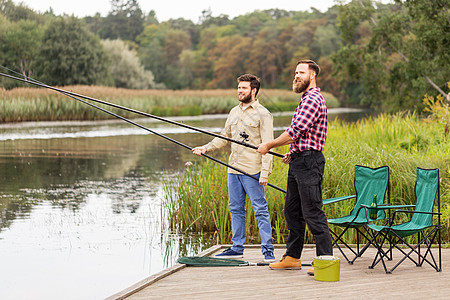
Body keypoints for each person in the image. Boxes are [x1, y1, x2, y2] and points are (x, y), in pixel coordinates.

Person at [257, 60, 333, 274]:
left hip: (309, 163)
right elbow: (303, 136)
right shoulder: (305, 99)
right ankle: (292, 257)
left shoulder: (312, 99)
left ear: (313, 75)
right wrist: (294, 152)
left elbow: (295, 131)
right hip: (300, 160)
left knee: (313, 212)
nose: (296, 76)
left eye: (301, 72)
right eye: (295, 72)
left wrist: (269, 145)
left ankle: (325, 262)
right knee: (292, 211)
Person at [192, 74, 275, 262]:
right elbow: (224, 137)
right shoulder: (233, 112)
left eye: (244, 88)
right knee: (236, 209)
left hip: (252, 170)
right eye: (239, 87)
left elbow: (268, 145)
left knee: (260, 209)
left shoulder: (263, 114)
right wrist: (205, 148)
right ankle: (237, 247)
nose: (240, 91)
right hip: (233, 169)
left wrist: (264, 173)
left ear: (253, 90)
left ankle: (268, 251)